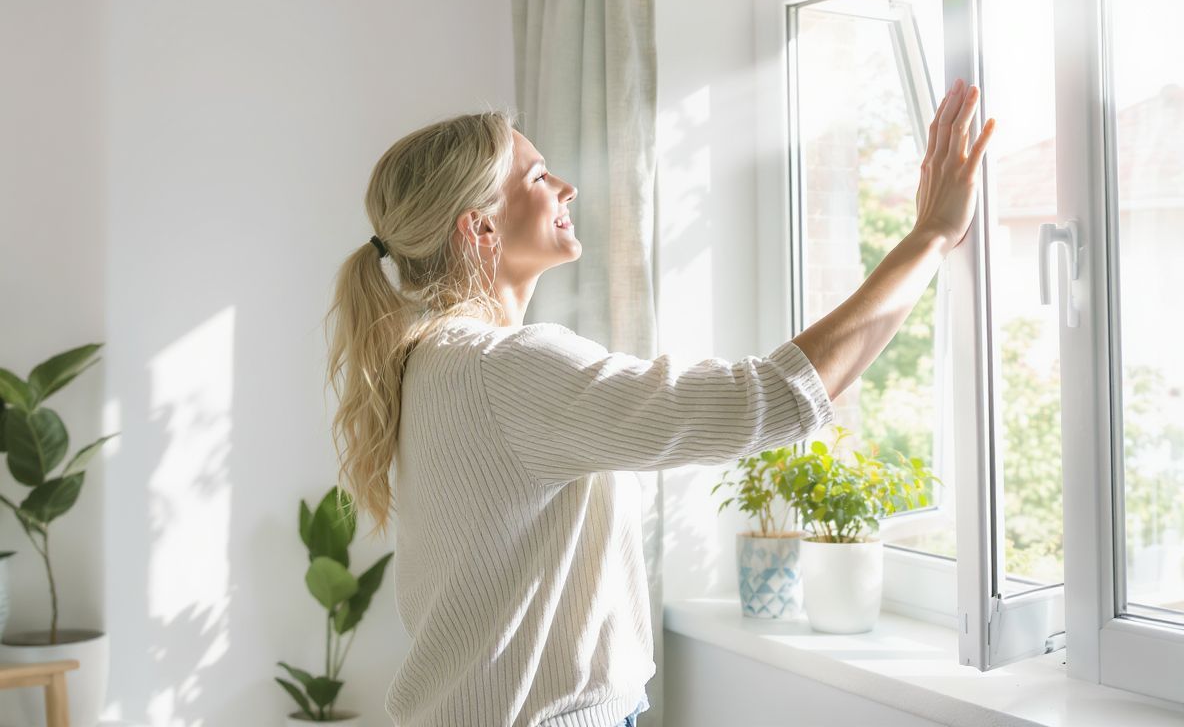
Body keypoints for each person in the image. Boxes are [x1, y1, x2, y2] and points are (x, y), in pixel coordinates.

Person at [324, 79, 995, 727]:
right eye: (538, 177)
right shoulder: (506, 368)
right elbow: (768, 399)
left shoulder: (434, 361)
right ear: (480, 229)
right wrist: (930, 237)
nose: (566, 187)